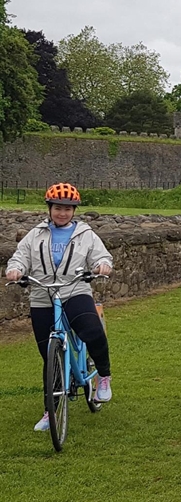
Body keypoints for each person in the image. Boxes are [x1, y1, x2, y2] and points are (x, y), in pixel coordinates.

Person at [5, 183, 114, 432]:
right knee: (50, 358)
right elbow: (20, 256)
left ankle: (103, 377)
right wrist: (15, 269)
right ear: (50, 209)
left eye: (67, 209)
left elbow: (101, 256)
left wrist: (102, 266)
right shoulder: (36, 234)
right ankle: (50, 412)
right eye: (57, 208)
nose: (62, 213)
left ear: (74, 211)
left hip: (74, 290)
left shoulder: (85, 234)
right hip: (43, 295)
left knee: (93, 331)